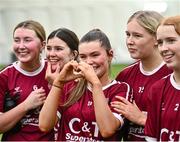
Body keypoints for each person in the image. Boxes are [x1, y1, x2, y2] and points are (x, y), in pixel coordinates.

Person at [39, 29, 132, 141]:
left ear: (110, 55)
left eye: (95, 55)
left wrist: (95, 84)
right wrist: (58, 83)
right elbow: (44, 125)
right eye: (83, 57)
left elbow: (107, 130)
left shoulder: (120, 89)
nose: (88, 62)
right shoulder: (70, 86)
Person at [111, 10, 172, 141]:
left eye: (137, 36)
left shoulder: (173, 75)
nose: (129, 41)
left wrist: (142, 118)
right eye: (128, 35)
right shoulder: (124, 75)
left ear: (157, 39)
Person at [0, 20, 55, 141]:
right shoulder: (4, 76)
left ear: (43, 44)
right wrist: (26, 105)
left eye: (27, 40)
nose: (21, 46)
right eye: (16, 40)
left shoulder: (54, 71)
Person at [145, 15, 180, 141]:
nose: (163, 48)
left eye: (171, 40)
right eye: (160, 42)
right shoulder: (157, 89)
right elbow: (152, 138)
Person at [45, 27, 79, 140]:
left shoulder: (80, 81)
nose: (51, 54)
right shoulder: (43, 74)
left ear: (73, 54)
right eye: (48, 48)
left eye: (58, 49)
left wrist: (57, 84)